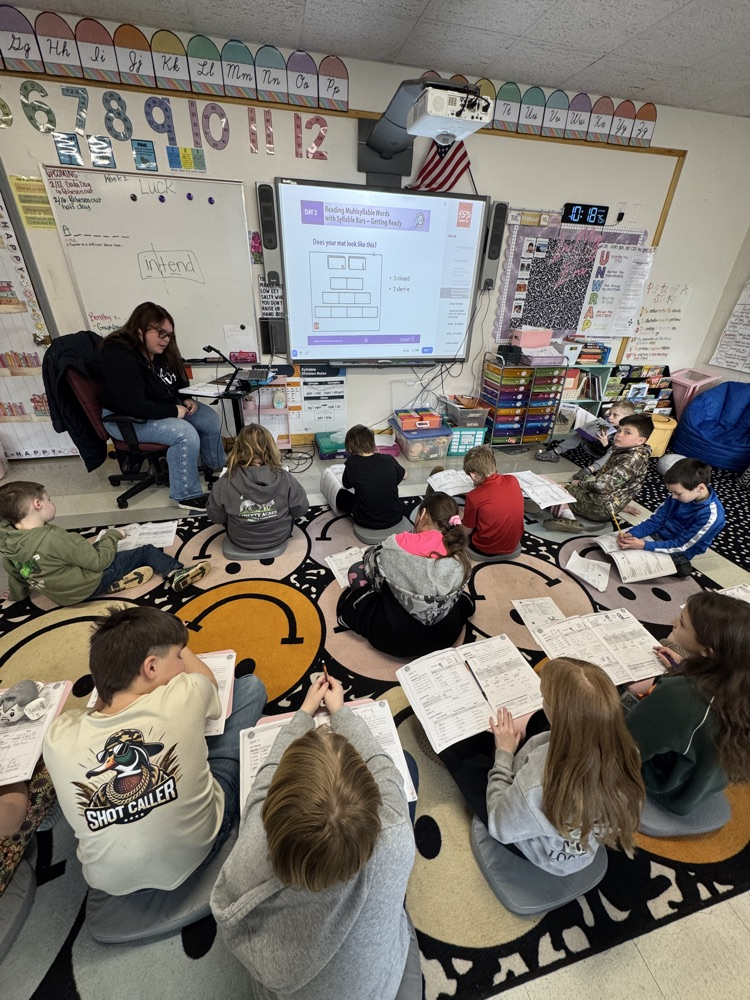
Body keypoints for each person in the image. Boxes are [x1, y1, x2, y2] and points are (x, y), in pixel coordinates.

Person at [211, 675, 417, 1000]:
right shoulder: (395, 835)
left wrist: (304, 713)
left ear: (271, 816)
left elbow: (262, 785)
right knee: (409, 772)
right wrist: (341, 712)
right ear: (374, 809)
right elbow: (384, 768)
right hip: (380, 988)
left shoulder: (252, 850)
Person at [43, 607, 267, 895]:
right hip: (199, 852)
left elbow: (91, 713)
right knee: (250, 688)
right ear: (150, 667)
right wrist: (178, 641)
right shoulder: (186, 692)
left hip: (109, 884)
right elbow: (209, 682)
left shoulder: (57, 736)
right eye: (177, 656)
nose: (181, 662)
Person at [441, 658, 644, 875]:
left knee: (457, 750)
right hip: (576, 835)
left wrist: (504, 754)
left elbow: (499, 824)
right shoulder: (629, 752)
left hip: (542, 851)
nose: (542, 699)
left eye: (544, 697)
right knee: (538, 720)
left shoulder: (536, 784)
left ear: (561, 717)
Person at [626, 592, 750, 815]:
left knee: (584, 696)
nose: (673, 622)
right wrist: (683, 668)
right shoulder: (738, 679)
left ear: (707, 651)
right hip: (703, 779)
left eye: (682, 624)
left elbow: (623, 746)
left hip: (667, 788)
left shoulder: (681, 696)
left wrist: (630, 695)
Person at [100, 301, 226, 510]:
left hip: (159, 407)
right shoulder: (118, 356)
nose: (166, 339)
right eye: (161, 333)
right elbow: (134, 405)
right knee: (184, 433)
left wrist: (184, 398)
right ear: (140, 328)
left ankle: (216, 468)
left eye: (169, 335)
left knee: (209, 418)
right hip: (127, 419)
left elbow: (175, 381)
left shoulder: (159, 353)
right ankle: (186, 496)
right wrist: (172, 410)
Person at [0, 481, 210, 605]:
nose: (51, 502)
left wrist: (17, 595)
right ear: (37, 504)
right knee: (145, 551)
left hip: (60, 596)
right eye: (48, 499)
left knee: (82, 557)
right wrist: (112, 536)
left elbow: (17, 572)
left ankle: (116, 584)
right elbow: (98, 561)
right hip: (87, 585)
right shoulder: (54, 538)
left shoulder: (8, 542)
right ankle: (175, 573)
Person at [336, 491, 474, 657]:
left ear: (422, 514)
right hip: (445, 636)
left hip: (393, 639)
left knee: (357, 571)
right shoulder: (460, 554)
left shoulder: (397, 543)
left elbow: (371, 567)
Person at [537, 413, 653, 533]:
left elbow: (601, 486)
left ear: (640, 440)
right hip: (610, 503)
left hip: (602, 507)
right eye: (619, 430)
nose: (619, 435)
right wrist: (621, 504)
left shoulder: (629, 460)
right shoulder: (632, 453)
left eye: (627, 432)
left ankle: (570, 519)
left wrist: (579, 484)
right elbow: (620, 485)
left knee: (558, 488)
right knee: (563, 486)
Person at [616, 458, 725, 578]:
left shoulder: (711, 516)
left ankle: (678, 563)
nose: (673, 497)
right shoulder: (677, 497)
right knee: (626, 545)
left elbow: (682, 545)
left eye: (678, 493)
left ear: (700, 488)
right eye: (671, 492)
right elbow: (655, 521)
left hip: (681, 548)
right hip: (661, 535)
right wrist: (633, 533)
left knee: (678, 570)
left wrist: (644, 545)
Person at [207, 424, 308, 552]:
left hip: (240, 540)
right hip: (279, 538)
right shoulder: (286, 478)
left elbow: (217, 518)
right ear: (272, 449)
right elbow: (301, 509)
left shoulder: (223, 482)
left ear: (237, 450)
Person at [335, 424, 406, 530]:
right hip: (395, 516)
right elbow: (404, 476)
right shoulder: (388, 459)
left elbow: (346, 484)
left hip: (365, 520)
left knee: (341, 495)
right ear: (373, 444)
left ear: (350, 448)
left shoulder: (352, 463)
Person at [460, 445, 524, 556]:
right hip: (512, 544)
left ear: (473, 475)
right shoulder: (513, 480)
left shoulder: (473, 496)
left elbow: (467, 531)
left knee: (459, 511)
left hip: (484, 547)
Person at [536, 400, 635, 465]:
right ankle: (555, 452)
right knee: (583, 432)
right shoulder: (607, 422)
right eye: (610, 414)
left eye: (615, 415)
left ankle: (590, 470)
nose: (610, 417)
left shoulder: (624, 431)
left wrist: (606, 444)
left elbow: (616, 453)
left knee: (610, 451)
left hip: (601, 456)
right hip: (590, 448)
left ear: (626, 417)